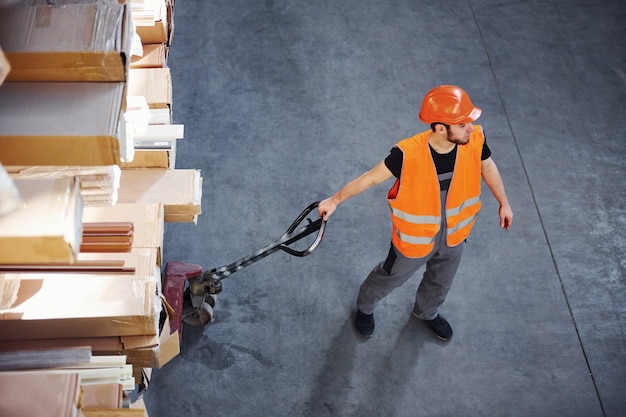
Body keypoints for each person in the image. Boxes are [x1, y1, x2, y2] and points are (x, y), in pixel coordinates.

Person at [318, 85, 513, 341]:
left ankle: (426, 312)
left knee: (441, 281)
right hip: (414, 239)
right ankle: (365, 308)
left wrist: (504, 202)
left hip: (455, 234)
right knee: (388, 277)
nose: (471, 128)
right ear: (441, 128)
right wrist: (335, 200)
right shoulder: (407, 154)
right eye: (463, 123)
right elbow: (370, 179)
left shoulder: (474, 138)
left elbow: (487, 166)